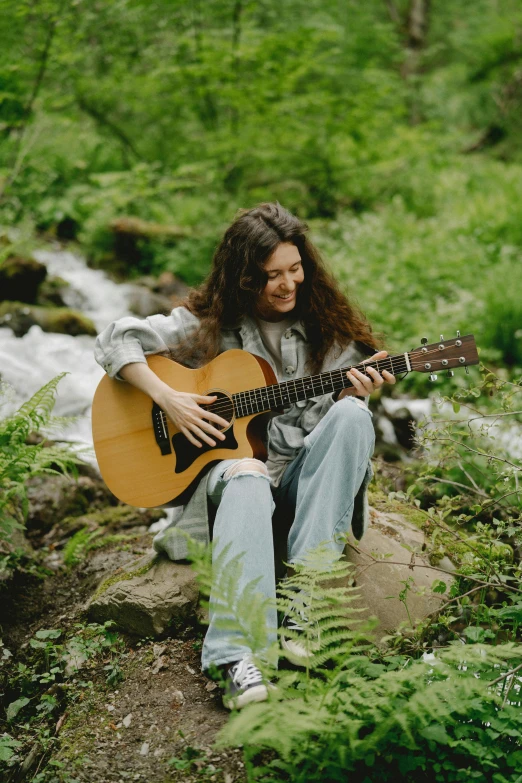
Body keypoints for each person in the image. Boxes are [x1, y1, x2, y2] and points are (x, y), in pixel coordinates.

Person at [94, 202, 395, 709]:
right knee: (248, 468)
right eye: (270, 275)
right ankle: (237, 658)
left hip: (302, 492)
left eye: (295, 269)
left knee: (352, 417)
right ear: (242, 277)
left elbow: (336, 440)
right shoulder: (206, 323)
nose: (287, 285)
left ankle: (306, 603)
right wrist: (169, 399)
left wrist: (354, 396)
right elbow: (115, 339)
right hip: (233, 490)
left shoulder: (331, 332)